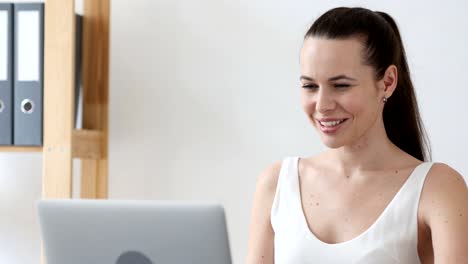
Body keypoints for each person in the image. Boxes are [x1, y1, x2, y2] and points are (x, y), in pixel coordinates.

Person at [246, 6, 468, 264]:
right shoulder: (277, 184)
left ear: (387, 82)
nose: (322, 105)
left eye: (341, 85)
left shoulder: (437, 188)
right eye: (309, 86)